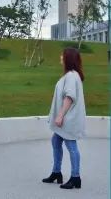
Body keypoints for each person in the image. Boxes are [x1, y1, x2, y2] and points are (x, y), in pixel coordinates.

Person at [42, 47, 86, 189]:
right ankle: (56, 172)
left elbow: (69, 97)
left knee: (71, 146)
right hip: (67, 118)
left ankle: (75, 177)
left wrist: (60, 116)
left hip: (69, 119)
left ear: (68, 59)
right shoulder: (70, 75)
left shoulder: (72, 76)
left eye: (62, 56)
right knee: (56, 140)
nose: (60, 57)